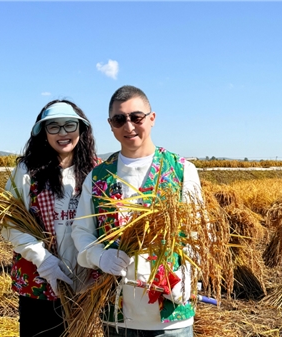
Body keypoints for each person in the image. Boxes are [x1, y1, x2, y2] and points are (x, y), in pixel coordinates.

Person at [72, 85, 203, 337]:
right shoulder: (99, 176)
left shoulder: (181, 170)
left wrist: (186, 276)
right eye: (120, 119)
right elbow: (81, 232)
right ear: (111, 125)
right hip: (118, 315)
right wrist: (99, 257)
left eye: (136, 117)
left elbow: (198, 233)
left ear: (151, 119)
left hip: (170, 317)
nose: (129, 126)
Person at [1, 99, 98, 337]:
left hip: (86, 283)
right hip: (39, 282)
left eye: (69, 125)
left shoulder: (96, 171)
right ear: (43, 132)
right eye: (53, 126)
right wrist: (44, 261)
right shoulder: (27, 171)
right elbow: (9, 223)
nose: (62, 133)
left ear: (81, 129)